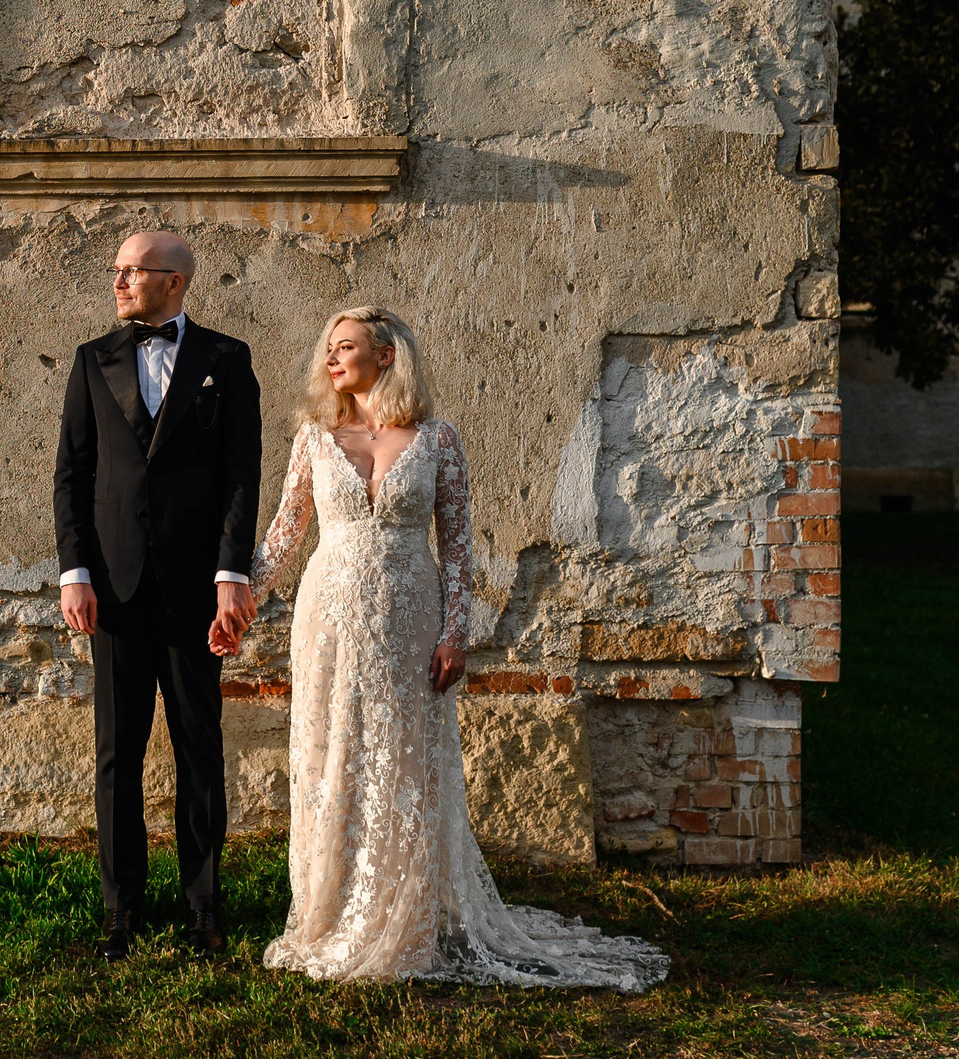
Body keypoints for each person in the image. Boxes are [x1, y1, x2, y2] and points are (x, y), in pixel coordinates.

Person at [217, 305, 669, 990]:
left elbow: (457, 549)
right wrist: (238, 596)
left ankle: (408, 925)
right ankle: (327, 915)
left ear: (387, 354)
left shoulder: (438, 439)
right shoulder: (315, 435)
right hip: (329, 616)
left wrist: (456, 632)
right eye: (328, 348)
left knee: (407, 760)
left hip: (411, 615)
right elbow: (285, 532)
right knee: (331, 754)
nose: (331, 359)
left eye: (346, 347)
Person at [54, 229, 262, 960]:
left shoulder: (227, 361)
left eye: (131, 272)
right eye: (115, 271)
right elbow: (73, 475)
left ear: (174, 280)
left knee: (198, 749)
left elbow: (242, 474)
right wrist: (74, 572)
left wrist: (232, 572)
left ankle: (203, 906)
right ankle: (121, 910)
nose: (118, 283)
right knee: (118, 751)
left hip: (195, 592)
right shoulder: (92, 360)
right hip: (112, 588)